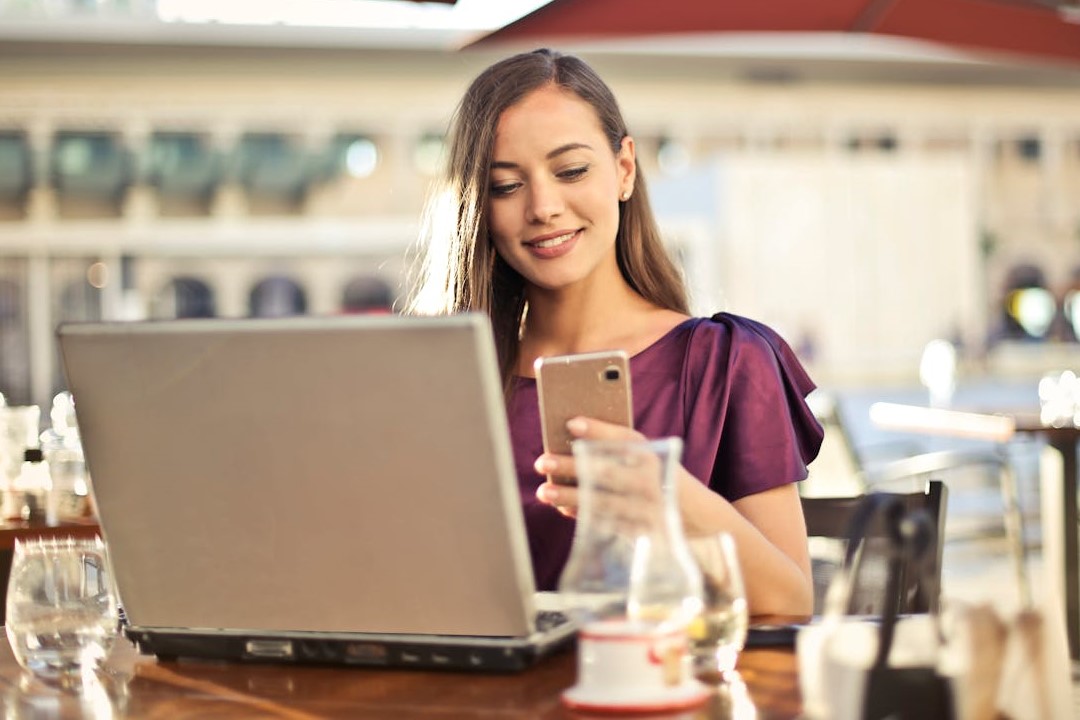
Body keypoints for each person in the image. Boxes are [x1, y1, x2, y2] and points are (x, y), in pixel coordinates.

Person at [407, 48, 823, 616]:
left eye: (571, 170)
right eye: (506, 186)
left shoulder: (725, 361)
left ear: (624, 169)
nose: (544, 207)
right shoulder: (444, 378)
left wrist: (668, 499)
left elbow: (792, 599)